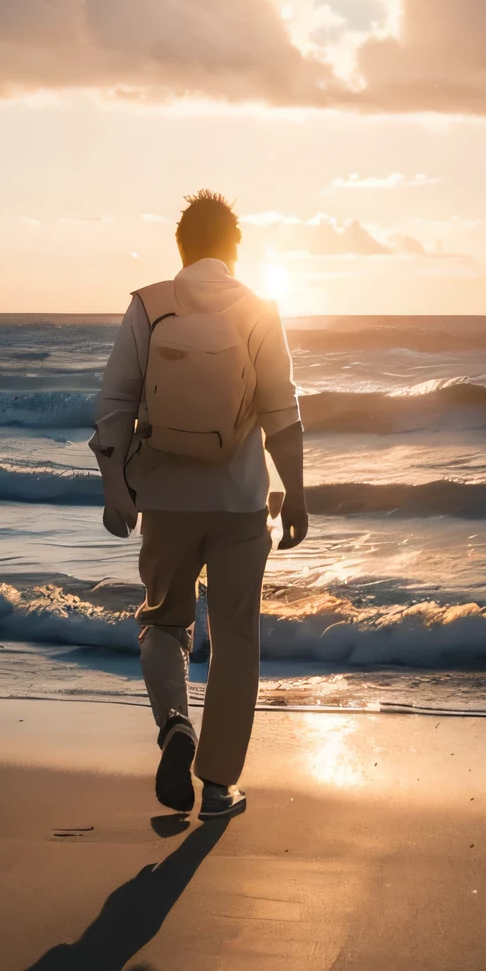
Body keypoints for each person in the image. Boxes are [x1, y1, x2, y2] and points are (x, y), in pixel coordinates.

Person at [90, 190, 307, 821]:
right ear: (235, 250)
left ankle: (174, 726)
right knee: (237, 636)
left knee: (163, 620)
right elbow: (281, 410)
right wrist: (296, 493)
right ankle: (217, 785)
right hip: (240, 501)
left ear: (181, 249)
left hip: (164, 495)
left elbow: (115, 405)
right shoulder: (260, 309)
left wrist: (116, 488)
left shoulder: (150, 305)